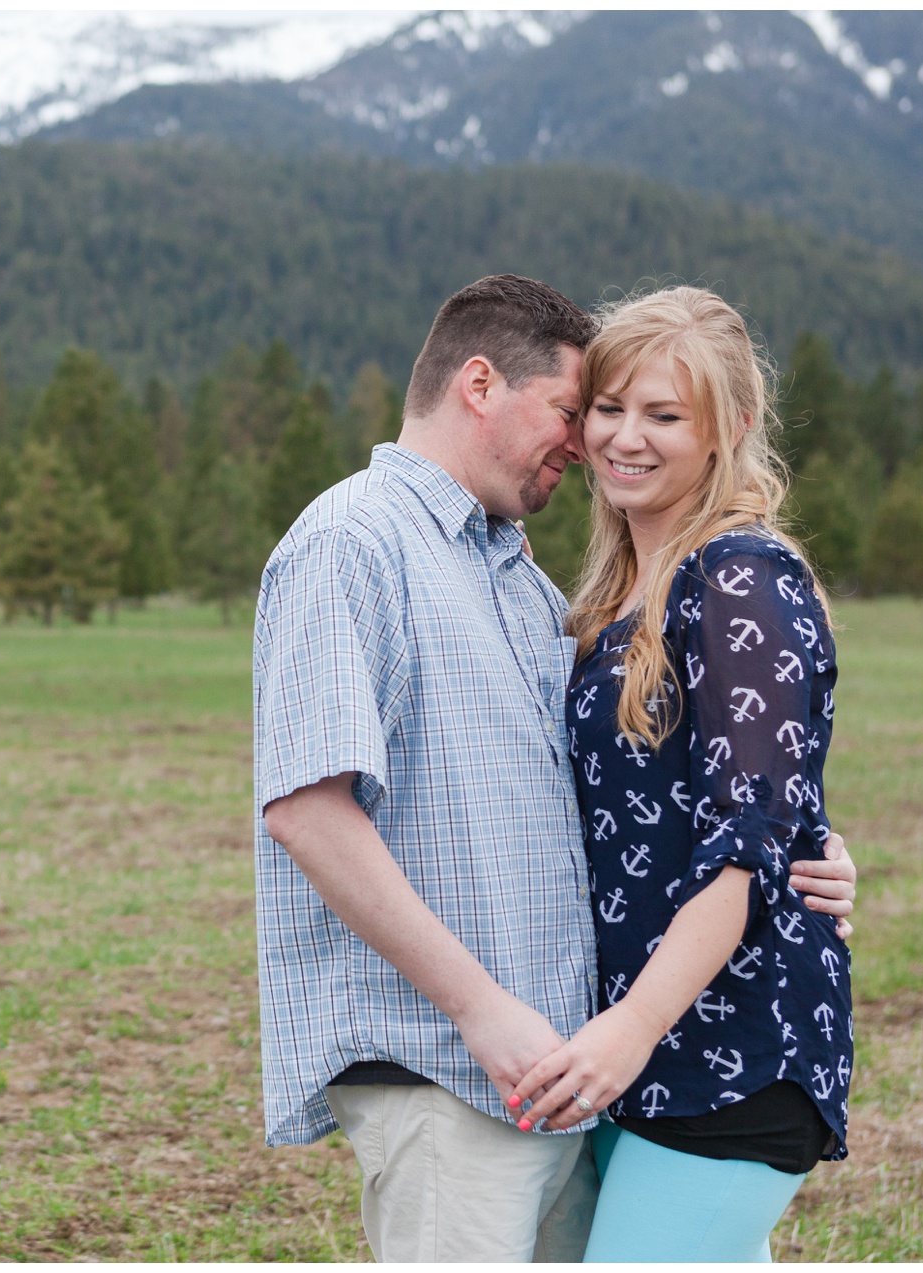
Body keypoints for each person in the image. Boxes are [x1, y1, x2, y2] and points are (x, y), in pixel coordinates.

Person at [253, 275, 857, 1261]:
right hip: (505, 1062)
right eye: (588, 410)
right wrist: (494, 1012)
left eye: (656, 413)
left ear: (727, 429)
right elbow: (308, 812)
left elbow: (728, 806)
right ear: (480, 384)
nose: (595, 441)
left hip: (677, 1058)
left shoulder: (581, 580)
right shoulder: (364, 542)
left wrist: (805, 845)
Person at [507, 286, 853, 1261]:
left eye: (664, 415)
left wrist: (629, 1028)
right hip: (634, 1046)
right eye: (608, 408)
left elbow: (739, 851)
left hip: (726, 1047)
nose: (625, 437)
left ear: (730, 429)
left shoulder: (740, 576)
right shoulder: (616, 593)